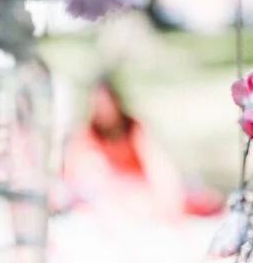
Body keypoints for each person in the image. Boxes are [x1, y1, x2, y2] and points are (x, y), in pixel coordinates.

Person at [62, 76, 222, 220]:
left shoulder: (133, 128)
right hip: (112, 196)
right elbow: (73, 172)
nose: (102, 110)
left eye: (105, 103)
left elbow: (156, 164)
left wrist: (166, 194)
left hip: (142, 191)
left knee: (196, 198)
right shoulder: (86, 134)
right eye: (97, 104)